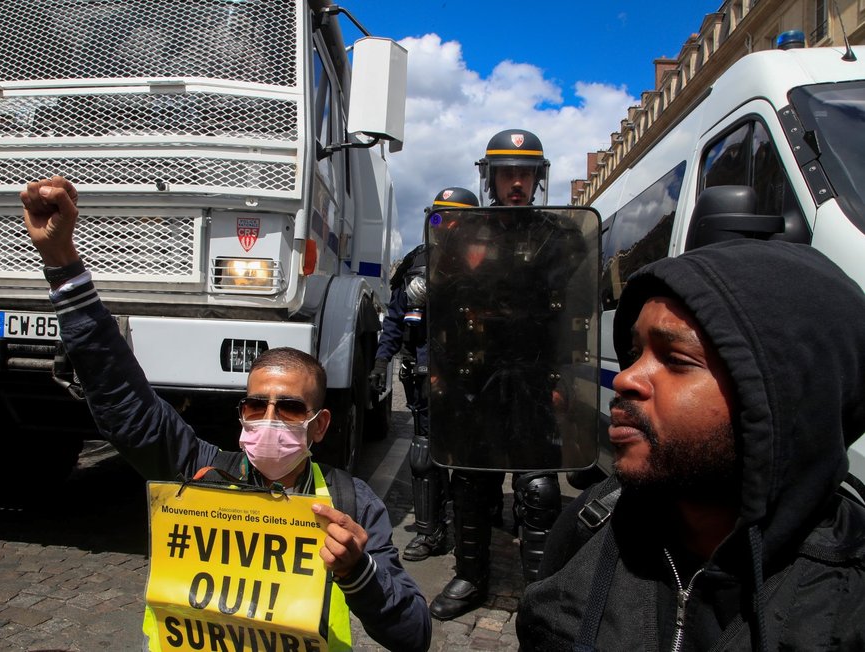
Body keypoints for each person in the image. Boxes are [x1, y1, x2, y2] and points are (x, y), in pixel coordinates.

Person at [19, 176, 431, 652]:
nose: (268, 417)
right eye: (256, 404)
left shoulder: (350, 504)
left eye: (289, 407)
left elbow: (414, 634)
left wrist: (360, 572)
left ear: (319, 425)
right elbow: (123, 400)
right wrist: (62, 263)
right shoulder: (199, 473)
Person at [516, 239, 865, 650]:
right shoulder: (590, 523)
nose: (627, 377)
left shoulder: (847, 596)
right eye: (634, 351)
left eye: (677, 360)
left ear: (783, 399)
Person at [429, 129, 563, 620]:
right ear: (490, 177)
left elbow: (571, 316)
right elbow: (443, 306)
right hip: (475, 376)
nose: (515, 183)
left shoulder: (557, 233)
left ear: (536, 179)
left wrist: (563, 380)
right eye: (507, 172)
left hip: (532, 375)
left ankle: (541, 589)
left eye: (524, 173)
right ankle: (470, 576)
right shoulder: (466, 233)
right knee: (470, 480)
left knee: (538, 486)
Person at [370, 187, 479, 562]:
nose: (449, 225)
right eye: (442, 217)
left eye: (458, 218)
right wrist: (381, 361)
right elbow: (396, 320)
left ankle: (472, 529)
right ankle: (431, 533)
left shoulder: (488, 262)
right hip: (425, 377)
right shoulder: (417, 264)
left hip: (471, 380)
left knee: (471, 460)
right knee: (424, 454)